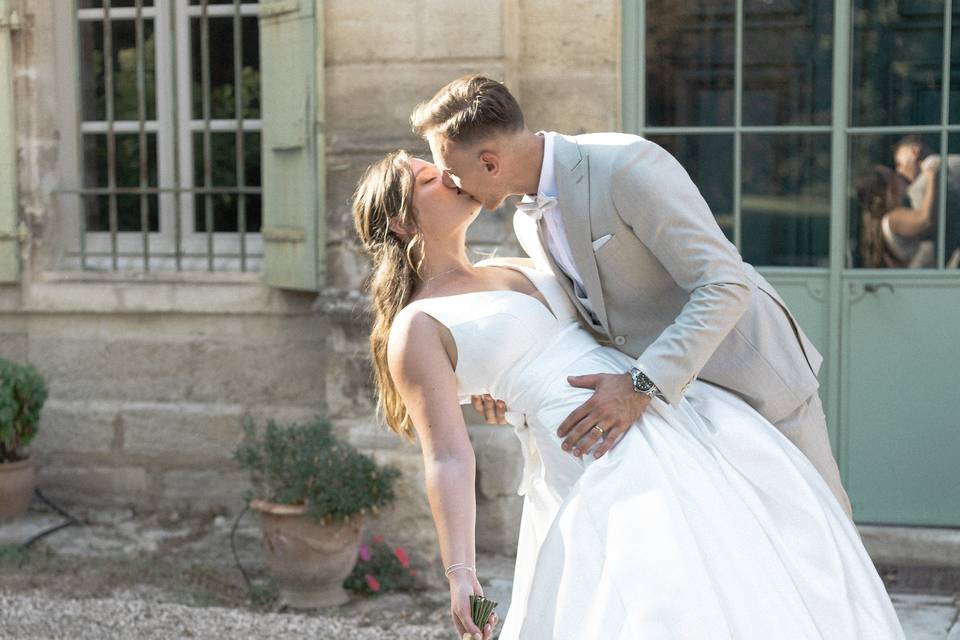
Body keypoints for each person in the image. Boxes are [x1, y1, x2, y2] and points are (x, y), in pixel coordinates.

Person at [351, 150, 904, 639]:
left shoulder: (513, 261)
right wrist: (461, 572)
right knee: (654, 595)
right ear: (400, 220)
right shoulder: (417, 326)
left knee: (741, 564)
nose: (448, 176)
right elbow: (447, 455)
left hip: (658, 412)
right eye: (428, 178)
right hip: (592, 453)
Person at [410, 75, 853, 519]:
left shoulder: (625, 166)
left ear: (489, 163)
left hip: (753, 381)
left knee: (821, 542)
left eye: (450, 171)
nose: (452, 184)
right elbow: (592, 315)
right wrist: (504, 377)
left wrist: (640, 386)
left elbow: (724, 283)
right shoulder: (528, 223)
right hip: (684, 417)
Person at [893, 135, 960, 267]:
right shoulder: (956, 162)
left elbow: (926, 229)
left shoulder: (920, 187)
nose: (899, 171)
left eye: (899, 163)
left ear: (914, 152)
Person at [856, 163, 938, 268]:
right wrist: (932, 175)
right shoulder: (893, 218)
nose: (899, 175)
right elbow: (924, 219)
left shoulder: (885, 222)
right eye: (893, 175)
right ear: (889, 187)